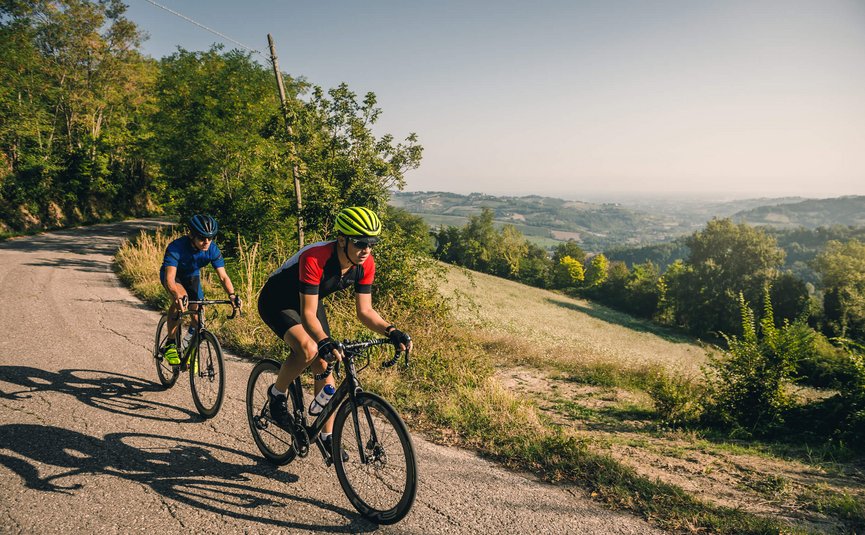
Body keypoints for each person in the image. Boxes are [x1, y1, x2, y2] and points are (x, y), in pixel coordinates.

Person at [257, 207, 412, 455]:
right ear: (342, 240)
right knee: (308, 349)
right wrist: (323, 341)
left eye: (372, 244)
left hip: (309, 300)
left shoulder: (365, 263)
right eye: (361, 243)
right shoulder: (316, 258)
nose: (367, 250)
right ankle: (277, 395)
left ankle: (326, 436)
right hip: (278, 301)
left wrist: (391, 330)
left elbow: (365, 311)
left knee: (325, 363)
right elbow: (307, 314)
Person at [160, 214, 242, 365]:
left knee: (198, 317)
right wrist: (176, 296)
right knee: (181, 300)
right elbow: (170, 279)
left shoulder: (212, 250)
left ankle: (187, 347)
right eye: (202, 238)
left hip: (192, 276)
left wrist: (231, 295)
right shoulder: (176, 248)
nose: (206, 242)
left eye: (210, 238)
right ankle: (170, 344)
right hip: (174, 276)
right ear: (191, 235)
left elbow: (223, 277)